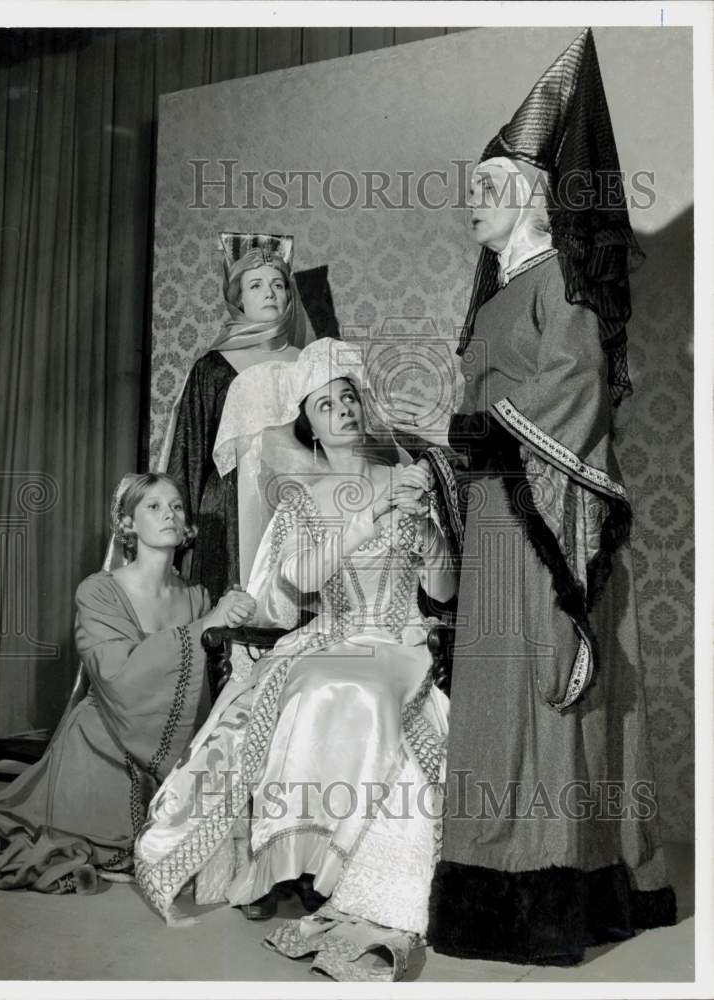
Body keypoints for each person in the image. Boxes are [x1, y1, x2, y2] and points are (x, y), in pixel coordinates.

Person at [390, 29, 677, 965]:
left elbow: (577, 389)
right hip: (497, 521)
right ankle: (489, 874)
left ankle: (556, 890)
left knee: (546, 703)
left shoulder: (562, 280)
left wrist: (487, 431)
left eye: (485, 188)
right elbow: (485, 404)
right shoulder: (497, 293)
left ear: (529, 196)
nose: (470, 202)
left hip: (547, 523)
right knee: (494, 704)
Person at [134, 339, 461, 982]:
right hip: (332, 634)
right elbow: (298, 582)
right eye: (323, 403)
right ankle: (301, 864)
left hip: (398, 639)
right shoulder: (302, 497)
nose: (339, 409)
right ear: (307, 422)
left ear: (363, 408)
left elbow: (444, 591)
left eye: (347, 397)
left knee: (363, 692)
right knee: (315, 686)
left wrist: (428, 536)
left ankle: (350, 871)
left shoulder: (409, 478)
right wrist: (368, 514)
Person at [0, 473, 255, 894]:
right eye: (153, 507)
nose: (169, 515)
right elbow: (115, 673)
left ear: (187, 527)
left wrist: (230, 613)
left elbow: (198, 687)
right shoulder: (99, 591)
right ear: (128, 524)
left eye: (177, 506)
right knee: (103, 827)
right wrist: (204, 627)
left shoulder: (197, 598)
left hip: (169, 738)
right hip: (101, 733)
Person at [157, 232, 338, 604]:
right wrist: (174, 537)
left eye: (278, 285)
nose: (269, 293)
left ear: (290, 297)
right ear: (238, 299)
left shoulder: (312, 367)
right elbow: (188, 456)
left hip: (298, 508)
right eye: (256, 285)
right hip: (228, 517)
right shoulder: (213, 368)